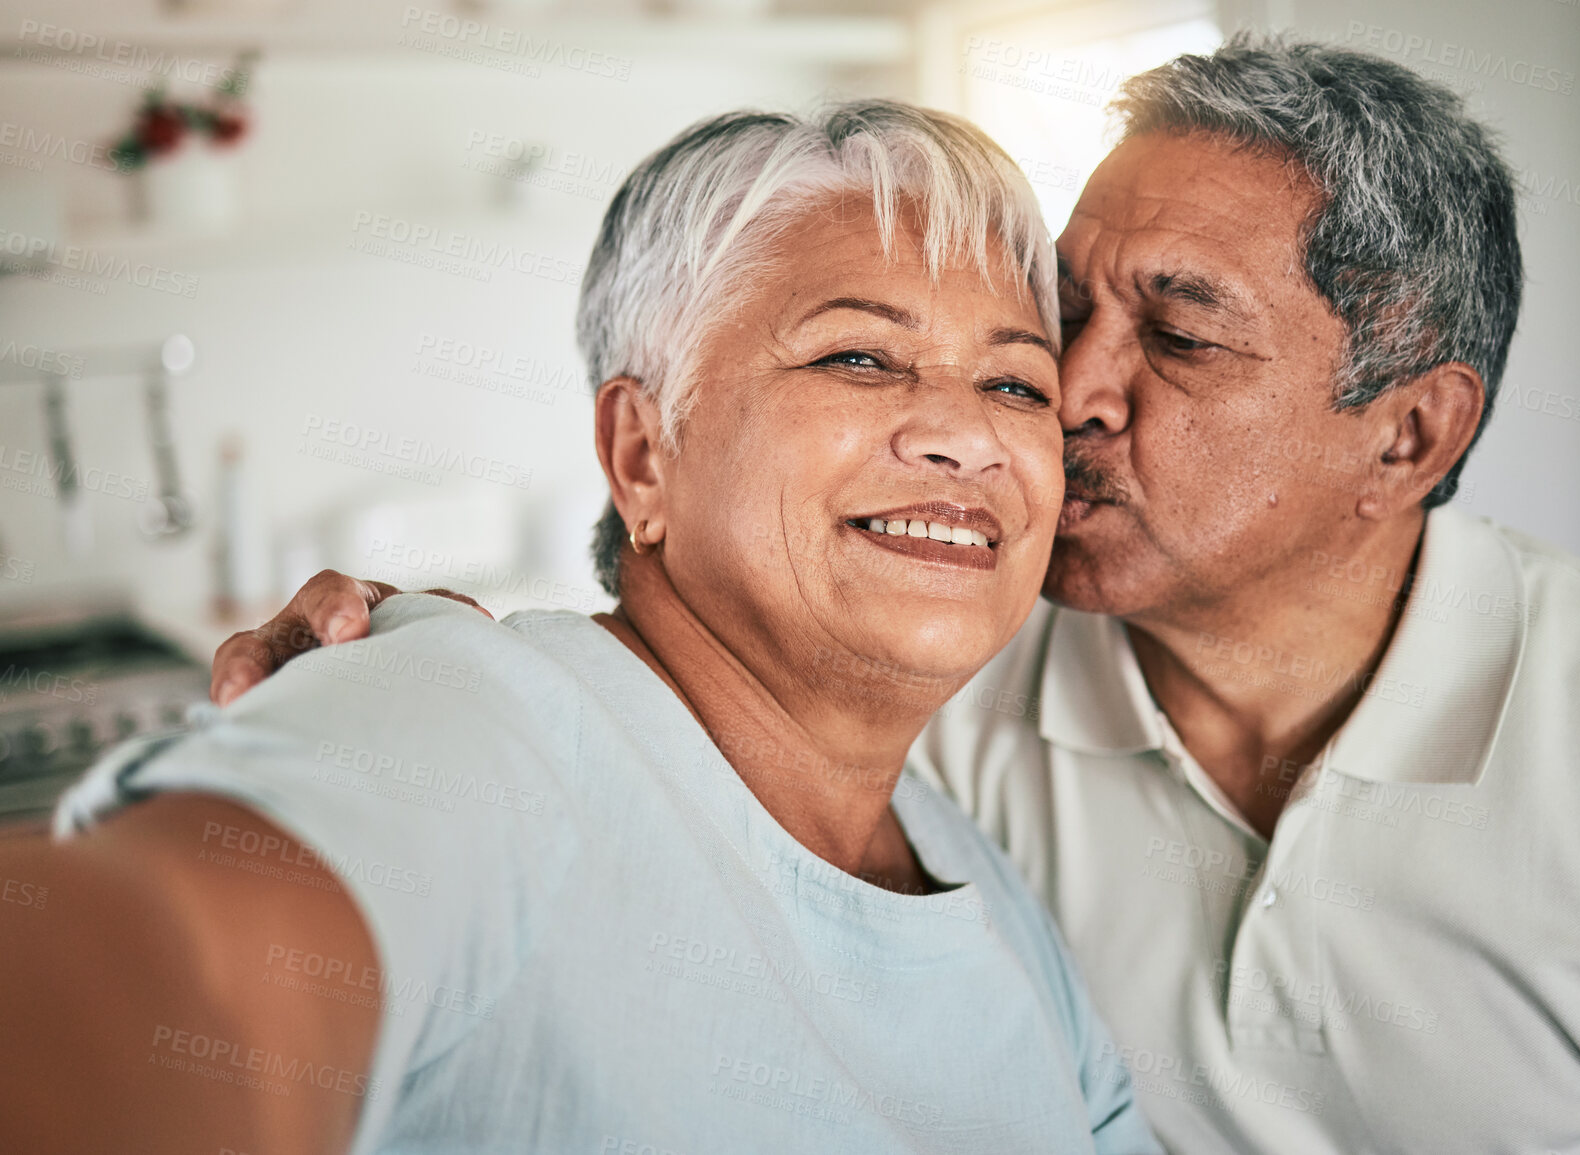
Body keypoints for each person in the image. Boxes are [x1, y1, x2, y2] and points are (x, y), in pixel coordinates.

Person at [228, 36, 1580, 1153]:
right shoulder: (920, 670)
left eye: (1180, 338)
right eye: (1063, 320)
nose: (1060, 397)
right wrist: (405, 675)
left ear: (1405, 433)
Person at [0, 101, 1160, 1155]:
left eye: (1016, 386)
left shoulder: (981, 885)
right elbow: (161, 974)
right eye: (858, 356)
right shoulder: (465, 719)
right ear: (642, 456)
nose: (966, 436)